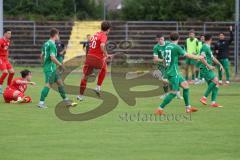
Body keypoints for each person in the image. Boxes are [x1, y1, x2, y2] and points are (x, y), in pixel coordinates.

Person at [155, 32, 204, 115]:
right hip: (173, 72)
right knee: (174, 93)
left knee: (186, 86)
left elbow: (164, 59)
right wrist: (200, 57)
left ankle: (188, 108)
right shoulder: (176, 47)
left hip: (172, 71)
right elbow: (188, 55)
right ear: (178, 39)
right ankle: (160, 109)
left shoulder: (167, 46)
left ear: (170, 39)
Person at [38, 28, 77, 108]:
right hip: (51, 68)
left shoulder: (46, 43)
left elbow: (41, 55)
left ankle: (66, 101)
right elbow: (52, 57)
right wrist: (60, 65)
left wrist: (44, 63)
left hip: (50, 68)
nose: (58, 36)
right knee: (48, 84)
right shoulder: (52, 44)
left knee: (59, 82)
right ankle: (41, 103)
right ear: (55, 35)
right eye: (58, 35)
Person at [77, 21, 111, 101]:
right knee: (104, 68)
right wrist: (106, 54)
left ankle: (80, 96)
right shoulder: (104, 35)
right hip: (97, 58)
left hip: (89, 57)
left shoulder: (96, 34)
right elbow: (102, 45)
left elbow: (90, 46)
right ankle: (98, 87)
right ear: (108, 29)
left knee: (84, 77)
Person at [153, 34, 183, 100]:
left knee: (174, 78)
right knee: (165, 81)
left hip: (170, 65)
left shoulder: (168, 44)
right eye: (159, 39)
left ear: (164, 39)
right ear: (157, 40)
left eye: (162, 39)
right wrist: (163, 60)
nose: (161, 41)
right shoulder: (156, 47)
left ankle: (177, 94)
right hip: (162, 66)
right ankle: (166, 94)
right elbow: (155, 59)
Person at [200, 34, 224, 108]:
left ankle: (213, 102)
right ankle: (204, 97)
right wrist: (208, 65)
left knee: (216, 85)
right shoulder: (204, 47)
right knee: (216, 80)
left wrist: (220, 64)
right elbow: (202, 58)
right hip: (205, 68)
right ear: (210, 39)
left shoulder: (208, 47)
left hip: (207, 68)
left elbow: (212, 57)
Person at [0, 28, 15, 94]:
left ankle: (8, 87)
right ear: (5, 33)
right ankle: (0, 86)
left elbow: (6, 50)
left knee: (12, 72)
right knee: (5, 72)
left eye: (10, 33)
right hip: (0, 58)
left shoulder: (8, 41)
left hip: (5, 59)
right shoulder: (1, 41)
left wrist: (7, 56)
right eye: (8, 33)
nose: (10, 35)